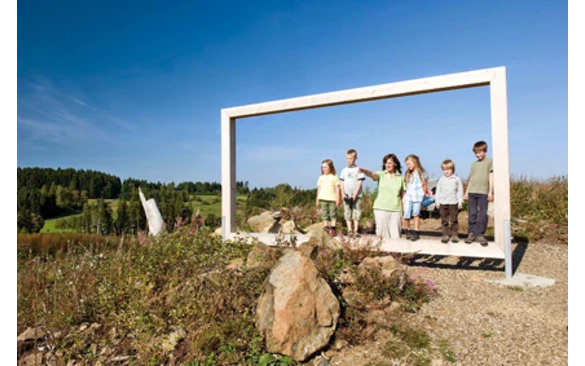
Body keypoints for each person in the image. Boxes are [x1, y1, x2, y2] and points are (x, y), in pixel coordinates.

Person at [360, 154, 406, 239]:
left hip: (396, 209)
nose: (387, 165)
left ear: (395, 164)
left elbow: (403, 197)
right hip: (381, 208)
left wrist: (404, 213)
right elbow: (372, 174)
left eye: (390, 163)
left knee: (396, 235)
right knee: (382, 234)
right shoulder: (381, 174)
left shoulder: (401, 178)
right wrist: (364, 171)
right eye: (386, 163)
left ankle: (394, 252)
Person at [464, 141, 494, 246]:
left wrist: (490, 191)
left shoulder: (490, 162)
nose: (478, 155)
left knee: (482, 213)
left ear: (485, 151)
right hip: (472, 191)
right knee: (472, 213)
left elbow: (491, 176)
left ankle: (480, 234)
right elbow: (471, 178)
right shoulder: (474, 164)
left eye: (480, 152)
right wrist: (466, 192)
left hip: (483, 191)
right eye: (476, 153)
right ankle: (471, 233)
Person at [435, 159, 465, 244]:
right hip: (443, 202)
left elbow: (460, 191)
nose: (446, 171)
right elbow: (438, 191)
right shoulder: (441, 180)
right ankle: (445, 234)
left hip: (453, 202)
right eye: (444, 170)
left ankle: (454, 234)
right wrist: (437, 201)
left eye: (448, 169)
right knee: (444, 219)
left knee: (454, 219)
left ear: (452, 169)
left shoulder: (456, 179)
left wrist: (460, 201)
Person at [340, 149, 367, 238]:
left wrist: (355, 194)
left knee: (356, 212)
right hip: (346, 195)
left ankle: (356, 230)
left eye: (351, 158)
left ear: (355, 158)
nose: (349, 160)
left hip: (357, 195)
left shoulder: (358, 170)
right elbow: (342, 182)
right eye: (347, 158)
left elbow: (359, 182)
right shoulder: (344, 170)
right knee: (347, 212)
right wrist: (343, 194)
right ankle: (349, 230)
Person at [403, 154, 428, 242]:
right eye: (407, 164)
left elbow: (424, 185)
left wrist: (423, 195)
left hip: (417, 196)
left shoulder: (422, 173)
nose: (408, 166)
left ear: (415, 162)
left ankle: (416, 231)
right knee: (406, 214)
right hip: (409, 196)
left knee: (416, 214)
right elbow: (406, 185)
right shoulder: (408, 173)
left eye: (409, 164)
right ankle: (407, 230)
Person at [316, 159, 341, 236]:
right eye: (322, 167)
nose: (324, 169)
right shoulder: (321, 177)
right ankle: (326, 227)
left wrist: (338, 199)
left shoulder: (334, 177)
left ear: (330, 167)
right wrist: (317, 199)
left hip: (332, 199)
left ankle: (333, 228)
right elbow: (319, 189)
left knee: (333, 214)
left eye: (326, 167)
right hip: (323, 198)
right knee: (324, 213)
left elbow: (337, 189)